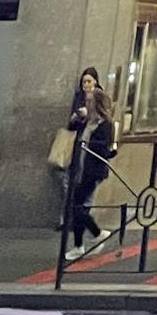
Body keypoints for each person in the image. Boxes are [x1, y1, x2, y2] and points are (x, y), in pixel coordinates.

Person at [64, 68, 116, 256]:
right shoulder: (89, 121)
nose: (86, 103)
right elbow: (71, 128)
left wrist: (92, 146)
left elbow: (104, 149)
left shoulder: (104, 124)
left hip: (92, 171)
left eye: (89, 102)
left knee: (78, 205)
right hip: (81, 166)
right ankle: (82, 243)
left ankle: (93, 235)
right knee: (77, 205)